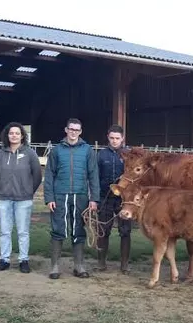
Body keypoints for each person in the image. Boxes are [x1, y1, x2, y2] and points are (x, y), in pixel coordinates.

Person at [43, 118, 100, 280]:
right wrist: (49, 198)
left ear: (80, 132)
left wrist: (94, 198)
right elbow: (49, 175)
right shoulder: (56, 150)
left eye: (77, 130)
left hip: (80, 195)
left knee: (79, 229)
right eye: (71, 129)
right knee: (58, 229)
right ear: (66, 130)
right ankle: (54, 266)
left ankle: (79, 265)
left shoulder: (88, 150)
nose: (74, 132)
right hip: (60, 195)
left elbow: (93, 175)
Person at [0, 122, 42, 273]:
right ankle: (4, 259)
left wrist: (28, 191)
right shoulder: (1, 153)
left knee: (23, 231)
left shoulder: (30, 153)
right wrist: (1, 189)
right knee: (4, 230)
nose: (14, 136)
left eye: (17, 133)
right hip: (4, 198)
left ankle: (24, 260)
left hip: (23, 199)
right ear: (7, 135)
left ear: (22, 136)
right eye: (11, 133)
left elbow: (37, 175)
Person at [95, 124, 133, 274]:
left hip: (124, 200)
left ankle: (124, 265)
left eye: (117, 138)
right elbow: (95, 177)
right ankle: (101, 263)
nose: (114, 141)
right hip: (105, 197)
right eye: (112, 138)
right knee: (103, 230)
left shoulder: (129, 155)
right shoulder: (101, 155)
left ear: (122, 138)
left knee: (125, 231)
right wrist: (95, 198)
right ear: (108, 138)